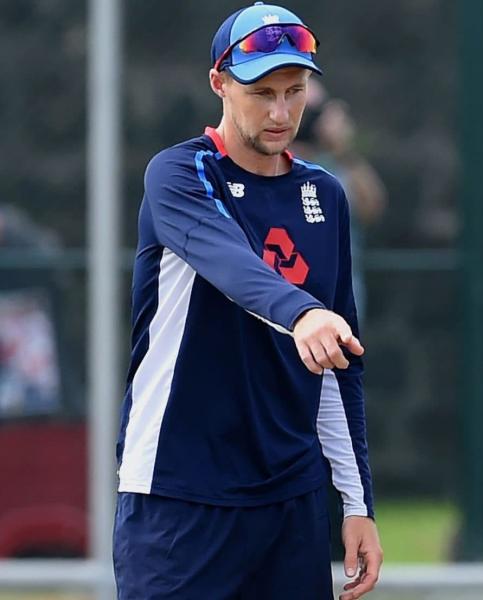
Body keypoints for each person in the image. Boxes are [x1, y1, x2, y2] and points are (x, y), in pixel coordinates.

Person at [112, 3, 381, 599]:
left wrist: (358, 503)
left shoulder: (324, 194)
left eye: (295, 91)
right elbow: (229, 262)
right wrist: (303, 311)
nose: (282, 112)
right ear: (219, 84)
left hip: (290, 501)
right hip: (177, 493)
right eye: (262, 93)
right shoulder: (179, 174)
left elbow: (338, 366)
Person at [293, 82, 387, 323]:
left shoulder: (336, 166)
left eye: (312, 112)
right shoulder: (265, 164)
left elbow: (372, 207)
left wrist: (344, 150)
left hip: (338, 308)